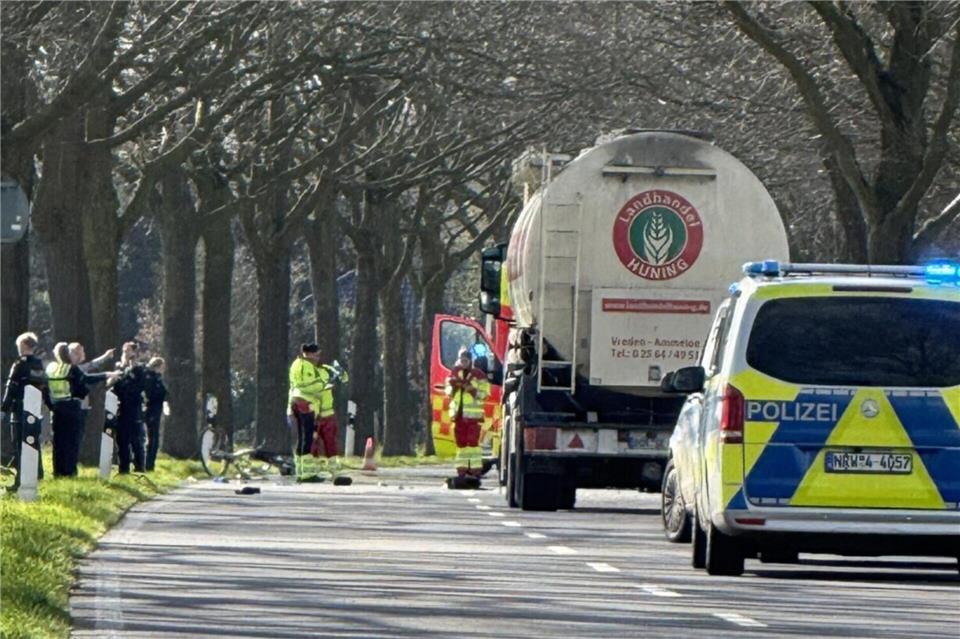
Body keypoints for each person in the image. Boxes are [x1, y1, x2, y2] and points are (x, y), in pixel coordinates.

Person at [46, 342, 114, 476]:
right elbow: (85, 379)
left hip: (57, 408)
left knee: (58, 441)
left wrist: (50, 405)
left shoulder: (52, 368)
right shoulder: (71, 368)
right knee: (72, 441)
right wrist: (106, 375)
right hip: (72, 407)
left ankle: (58, 471)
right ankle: (70, 471)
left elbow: (45, 387)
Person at [1, 332, 48, 489]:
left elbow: (11, 388)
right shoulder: (39, 365)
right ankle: (38, 474)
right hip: (35, 409)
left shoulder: (19, 364)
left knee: (19, 445)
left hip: (19, 410)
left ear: (23, 346)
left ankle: (20, 480)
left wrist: (3, 409)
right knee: (33, 441)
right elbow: (44, 387)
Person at [445, 346, 490, 478]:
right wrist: (453, 386)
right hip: (458, 416)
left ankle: (475, 470)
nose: (463, 363)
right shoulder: (454, 373)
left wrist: (472, 390)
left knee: (473, 443)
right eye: (461, 360)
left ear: (470, 361)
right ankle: (462, 469)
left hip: (473, 417)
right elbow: (448, 391)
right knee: (461, 443)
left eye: (465, 360)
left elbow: (485, 394)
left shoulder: (479, 375)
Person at [288, 343, 328, 482]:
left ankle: (300, 472)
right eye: (316, 355)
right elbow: (307, 386)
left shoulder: (296, 364)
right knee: (307, 438)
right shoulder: (306, 366)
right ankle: (307, 474)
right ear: (309, 354)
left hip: (296, 402)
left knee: (301, 438)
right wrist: (323, 385)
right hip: (304, 403)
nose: (318, 358)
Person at [108, 342, 146, 474]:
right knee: (121, 439)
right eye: (124, 351)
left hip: (134, 408)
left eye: (128, 351)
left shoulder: (140, 369)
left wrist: (132, 370)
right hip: (121, 407)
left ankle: (139, 468)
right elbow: (113, 385)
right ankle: (123, 468)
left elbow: (141, 386)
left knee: (136, 440)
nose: (125, 354)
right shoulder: (119, 367)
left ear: (134, 353)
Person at [311, 360, 349, 460]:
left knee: (330, 440)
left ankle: (332, 463)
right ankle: (311, 462)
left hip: (328, 412)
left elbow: (344, 379)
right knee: (312, 440)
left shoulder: (327, 369)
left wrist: (341, 372)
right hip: (312, 413)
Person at [142, 357, 167, 472]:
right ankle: (149, 464)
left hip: (153, 409)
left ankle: (148, 463)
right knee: (153, 438)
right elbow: (157, 393)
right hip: (152, 410)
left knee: (152, 437)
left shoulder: (154, 377)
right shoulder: (153, 378)